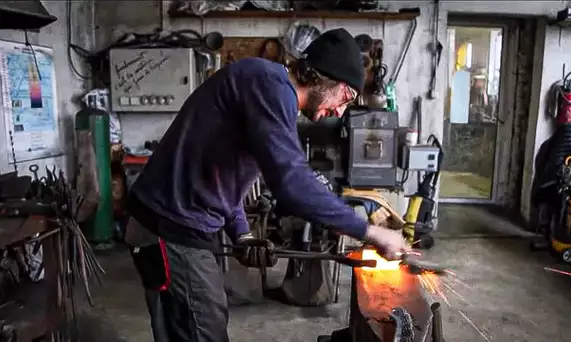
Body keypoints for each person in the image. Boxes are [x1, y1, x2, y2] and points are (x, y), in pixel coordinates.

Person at [124, 28, 409, 342]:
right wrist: (369, 231)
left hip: (178, 222)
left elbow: (224, 174)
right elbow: (292, 182)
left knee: (190, 327)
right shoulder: (270, 86)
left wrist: (242, 233)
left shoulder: (269, 89)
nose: (341, 111)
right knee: (202, 329)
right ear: (324, 78)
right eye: (345, 97)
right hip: (170, 226)